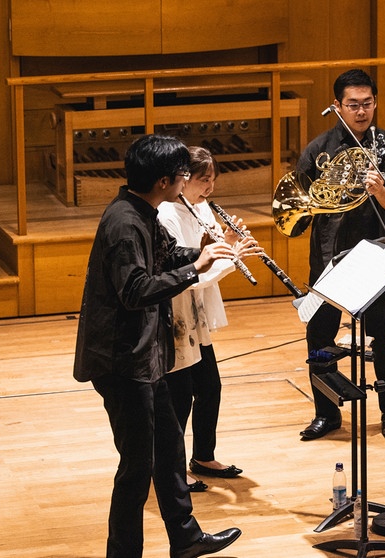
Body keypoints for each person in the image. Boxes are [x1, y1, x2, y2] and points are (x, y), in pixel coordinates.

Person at [73, 134, 244, 558]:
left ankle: (185, 539)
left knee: (169, 451)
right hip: (121, 362)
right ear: (165, 180)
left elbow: (166, 256)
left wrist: (198, 252)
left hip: (147, 356)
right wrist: (195, 270)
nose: (187, 180)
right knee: (136, 468)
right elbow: (135, 290)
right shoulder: (125, 223)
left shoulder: (144, 210)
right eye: (183, 174)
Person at [296, 68, 385, 441]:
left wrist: (378, 190)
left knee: (384, 335)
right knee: (320, 336)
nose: (361, 112)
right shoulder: (318, 149)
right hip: (328, 255)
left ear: (375, 103)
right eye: (352, 105)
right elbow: (300, 203)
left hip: (374, 254)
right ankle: (326, 413)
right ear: (337, 106)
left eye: (367, 104)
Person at [158, 146, 252, 490]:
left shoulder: (200, 207)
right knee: (179, 396)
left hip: (195, 315)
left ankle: (203, 456)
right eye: (203, 179)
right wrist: (231, 253)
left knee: (210, 387)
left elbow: (210, 257)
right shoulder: (167, 215)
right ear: (183, 180)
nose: (210, 187)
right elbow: (191, 273)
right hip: (177, 312)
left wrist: (228, 243)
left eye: (213, 178)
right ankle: (170, 466)